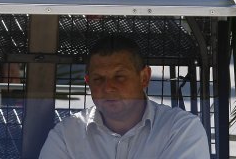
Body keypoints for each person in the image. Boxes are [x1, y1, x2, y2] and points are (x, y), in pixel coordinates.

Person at [39, 35, 210, 158]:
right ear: (88, 82)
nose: (108, 87)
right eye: (98, 79)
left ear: (144, 78)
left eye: (119, 77)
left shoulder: (180, 129)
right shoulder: (66, 135)